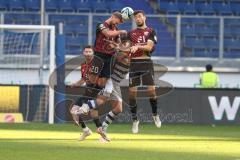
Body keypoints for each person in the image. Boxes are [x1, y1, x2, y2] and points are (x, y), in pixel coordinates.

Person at [78, 51, 131, 141]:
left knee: (118, 109)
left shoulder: (133, 59)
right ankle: (86, 106)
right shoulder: (118, 56)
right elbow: (117, 56)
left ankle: (102, 130)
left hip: (116, 84)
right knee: (101, 100)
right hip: (108, 81)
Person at [128, 10, 161, 134]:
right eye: (136, 17)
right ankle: (135, 120)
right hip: (134, 64)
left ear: (144, 18)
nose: (137, 19)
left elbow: (149, 47)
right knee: (132, 93)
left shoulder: (151, 31)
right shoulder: (130, 33)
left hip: (146, 62)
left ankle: (155, 114)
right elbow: (126, 47)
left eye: (140, 16)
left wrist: (137, 46)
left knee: (151, 91)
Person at [70, 45, 106, 141]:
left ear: (93, 53)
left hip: (96, 91)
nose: (88, 54)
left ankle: (103, 136)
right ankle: (86, 131)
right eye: (86, 52)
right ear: (83, 53)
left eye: (90, 52)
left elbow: (101, 79)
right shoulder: (83, 65)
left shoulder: (97, 65)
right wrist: (75, 84)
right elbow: (83, 79)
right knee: (74, 111)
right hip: (87, 91)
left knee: (92, 112)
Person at [91, 11, 127, 88]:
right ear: (113, 17)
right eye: (116, 23)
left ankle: (94, 97)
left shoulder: (116, 29)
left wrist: (116, 46)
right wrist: (120, 31)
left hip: (110, 58)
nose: (116, 25)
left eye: (117, 24)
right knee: (92, 80)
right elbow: (107, 33)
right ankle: (89, 97)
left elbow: (119, 44)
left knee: (102, 82)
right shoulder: (101, 25)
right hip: (99, 55)